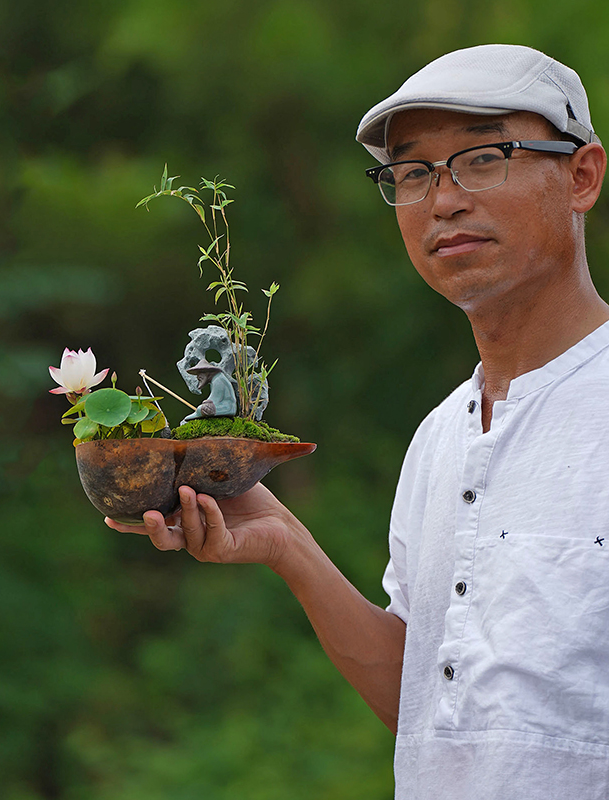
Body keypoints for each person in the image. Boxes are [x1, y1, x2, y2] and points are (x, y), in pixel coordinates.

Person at [106, 44, 609, 799]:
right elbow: (430, 712)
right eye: (412, 173)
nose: (443, 200)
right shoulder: (441, 438)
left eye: (482, 158)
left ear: (581, 176)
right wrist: (287, 547)